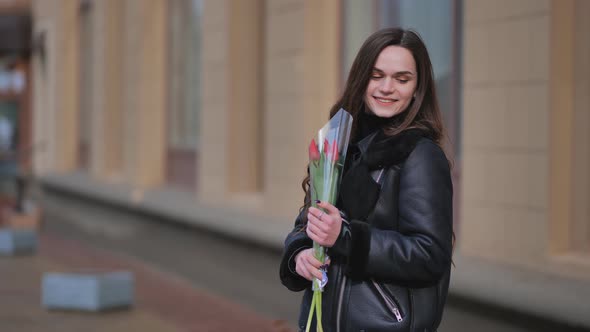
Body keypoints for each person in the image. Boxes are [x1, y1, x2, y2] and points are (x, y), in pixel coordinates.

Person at [279, 27, 454, 332]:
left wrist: (346, 238)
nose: (387, 87)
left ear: (417, 89)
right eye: (377, 75)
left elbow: (429, 255)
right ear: (361, 79)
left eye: (402, 79)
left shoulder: (420, 155)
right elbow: (305, 224)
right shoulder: (339, 143)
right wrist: (299, 256)